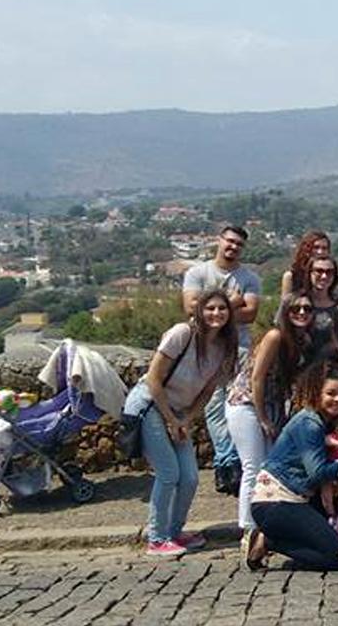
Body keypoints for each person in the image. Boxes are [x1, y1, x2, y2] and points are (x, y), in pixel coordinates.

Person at [124, 289, 238, 557]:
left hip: (179, 413)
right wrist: (171, 420)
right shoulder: (182, 334)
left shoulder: (223, 346)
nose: (216, 314)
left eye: (222, 309)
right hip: (150, 405)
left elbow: (208, 390)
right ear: (199, 310)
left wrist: (186, 419)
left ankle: (174, 531)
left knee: (189, 477)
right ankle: (157, 537)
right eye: (210, 308)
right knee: (168, 473)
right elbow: (153, 379)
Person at [243, 365, 338, 572]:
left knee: (332, 549)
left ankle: (278, 539)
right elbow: (318, 472)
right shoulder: (309, 424)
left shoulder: (328, 423)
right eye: (331, 393)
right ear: (316, 392)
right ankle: (268, 541)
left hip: (298, 499)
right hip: (275, 503)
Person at [225, 293, 315, 538]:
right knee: (253, 466)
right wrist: (263, 417)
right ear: (285, 312)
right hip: (246, 404)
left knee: (270, 468)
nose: (302, 313)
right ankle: (249, 528)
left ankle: (266, 526)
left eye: (307, 308)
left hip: (272, 407)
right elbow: (257, 377)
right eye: (296, 308)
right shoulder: (275, 336)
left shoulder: (301, 339)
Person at [181, 225, 261, 496]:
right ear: (219, 241)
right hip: (205, 350)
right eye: (230, 241)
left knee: (237, 406)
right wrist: (232, 301)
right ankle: (226, 463)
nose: (233, 247)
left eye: (239, 244)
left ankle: (234, 462)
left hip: (239, 350)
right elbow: (190, 307)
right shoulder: (198, 272)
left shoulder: (249, 277)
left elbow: (250, 314)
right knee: (213, 408)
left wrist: (214, 309)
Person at [279, 230, 332, 299]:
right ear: (306, 248)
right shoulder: (291, 276)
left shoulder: (329, 275)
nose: (320, 252)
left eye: (324, 248)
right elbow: (285, 305)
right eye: (316, 247)